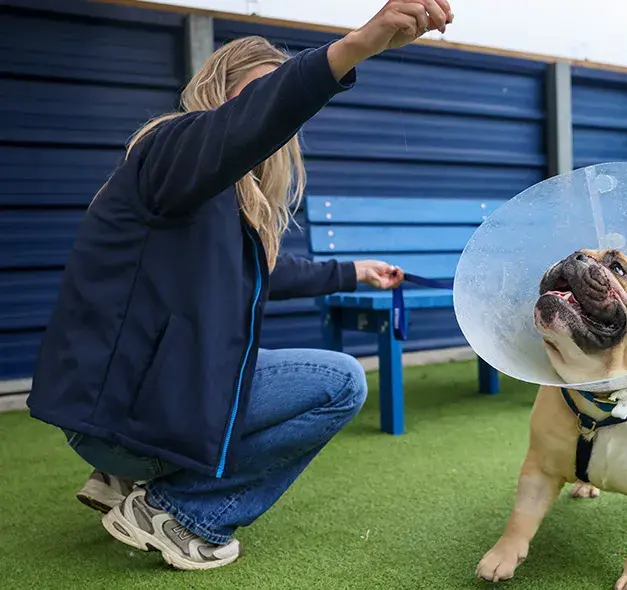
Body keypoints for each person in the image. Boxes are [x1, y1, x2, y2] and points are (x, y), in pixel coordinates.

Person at [26, 0, 453, 571]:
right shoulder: (175, 149)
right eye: (253, 94)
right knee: (340, 382)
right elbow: (249, 121)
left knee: (264, 363)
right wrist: (358, 45)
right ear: (218, 93)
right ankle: (182, 512)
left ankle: (122, 477)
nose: (262, 112)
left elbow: (266, 275)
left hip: (116, 413)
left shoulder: (217, 195)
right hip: (121, 416)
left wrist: (356, 270)